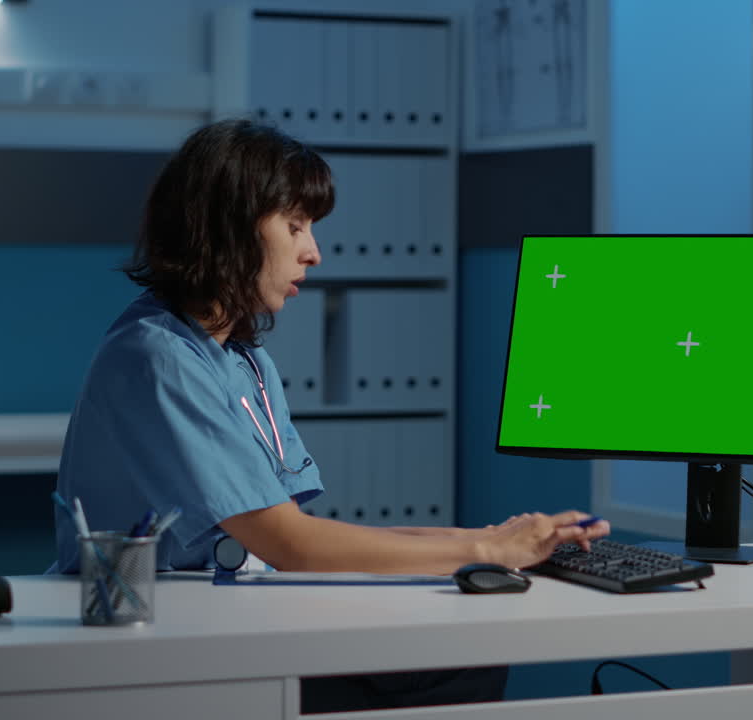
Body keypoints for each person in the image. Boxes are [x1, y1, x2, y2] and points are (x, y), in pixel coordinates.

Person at [51, 118, 610, 711]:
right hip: (156, 642)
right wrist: (490, 553)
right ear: (229, 226)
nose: (313, 252)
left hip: (227, 616)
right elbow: (291, 544)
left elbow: (291, 530)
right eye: (294, 226)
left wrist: (487, 539)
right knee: (458, 663)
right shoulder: (159, 356)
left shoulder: (242, 360)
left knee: (463, 649)